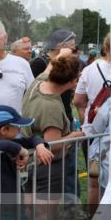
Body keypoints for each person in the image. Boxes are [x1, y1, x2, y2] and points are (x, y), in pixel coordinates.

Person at [21, 55, 84, 201]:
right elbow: (52, 145)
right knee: (46, 215)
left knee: (30, 209)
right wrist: (74, 136)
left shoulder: (38, 82)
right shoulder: (51, 107)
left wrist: (63, 54)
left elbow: (51, 67)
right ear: (73, 81)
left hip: (30, 160)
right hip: (47, 166)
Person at [73, 34, 111, 210]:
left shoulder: (90, 69)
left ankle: (93, 215)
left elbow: (79, 100)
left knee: (93, 179)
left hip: (92, 131)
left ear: (105, 47)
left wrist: (86, 120)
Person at [0, 105, 50, 197]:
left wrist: (40, 146)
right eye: (17, 126)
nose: (20, 129)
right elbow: (5, 145)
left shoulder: (10, 142)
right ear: (4, 130)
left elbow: (32, 139)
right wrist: (21, 150)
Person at [30, 28, 77, 121]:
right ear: (61, 45)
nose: (74, 48)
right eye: (72, 45)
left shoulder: (65, 62)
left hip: (66, 115)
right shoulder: (39, 63)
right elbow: (33, 89)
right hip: (48, 117)